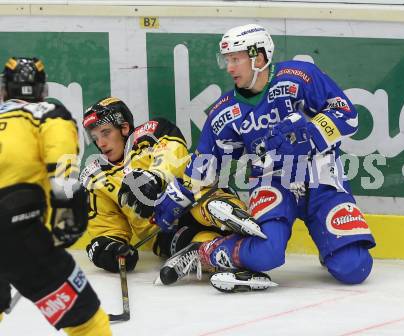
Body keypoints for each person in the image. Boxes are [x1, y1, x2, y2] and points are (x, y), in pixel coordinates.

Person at [154, 24, 376, 292]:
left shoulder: (299, 77)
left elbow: (348, 115)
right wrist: (176, 197)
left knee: (355, 267)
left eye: (236, 59)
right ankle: (202, 252)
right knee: (266, 254)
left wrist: (311, 133)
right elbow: (205, 165)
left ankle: (332, 245)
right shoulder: (224, 112)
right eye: (227, 60)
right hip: (273, 180)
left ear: (258, 57)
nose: (229, 68)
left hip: (322, 174)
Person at [81, 96, 254, 275]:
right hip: (162, 233)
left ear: (124, 127)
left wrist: (155, 177)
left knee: (196, 197)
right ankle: (227, 254)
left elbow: (173, 152)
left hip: (189, 200)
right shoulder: (95, 177)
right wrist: (109, 249)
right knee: (192, 243)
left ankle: (232, 215)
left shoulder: (150, 133)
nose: (100, 143)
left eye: (106, 133)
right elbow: (108, 227)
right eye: (95, 137)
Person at [0, 57, 111, 334]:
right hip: (18, 232)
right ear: (41, 89)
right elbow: (62, 166)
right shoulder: (48, 112)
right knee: (87, 322)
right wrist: (69, 210)